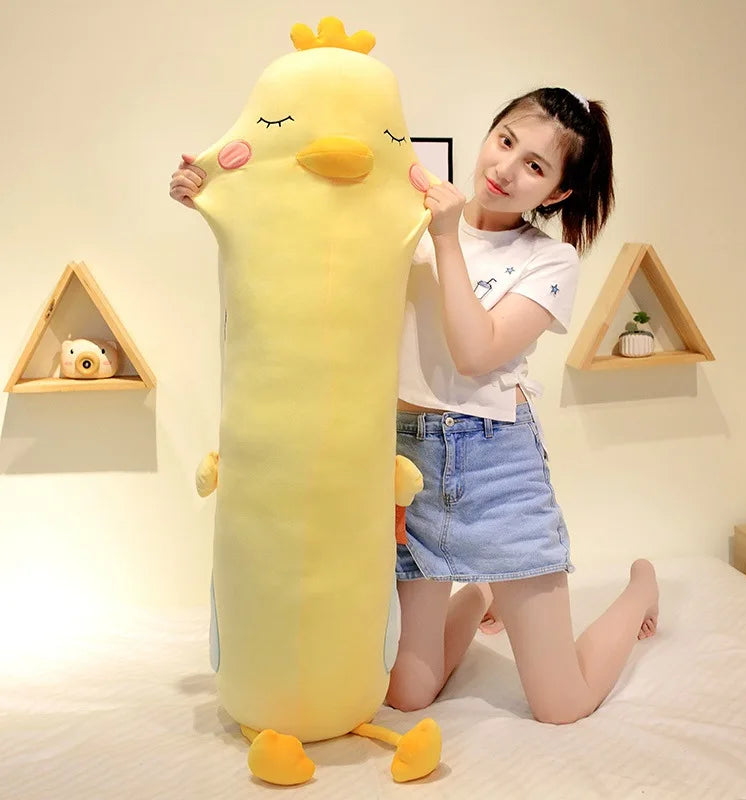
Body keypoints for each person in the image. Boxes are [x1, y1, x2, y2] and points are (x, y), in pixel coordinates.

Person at [169, 87, 659, 725]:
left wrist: (447, 240)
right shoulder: (407, 215)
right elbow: (305, 233)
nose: (506, 168)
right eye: (506, 140)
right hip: (407, 463)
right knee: (405, 694)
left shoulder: (549, 260)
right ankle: (480, 591)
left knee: (561, 705)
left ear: (557, 192)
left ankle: (641, 585)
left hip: (497, 468)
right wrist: (211, 195)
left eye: (535, 166)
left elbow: (476, 352)